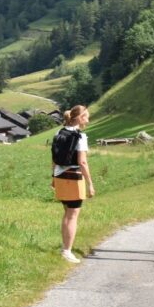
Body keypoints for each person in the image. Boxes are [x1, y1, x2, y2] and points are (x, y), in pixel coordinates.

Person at [51, 105, 95, 263]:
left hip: (60, 176)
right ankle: (67, 251)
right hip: (74, 178)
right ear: (80, 118)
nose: (88, 120)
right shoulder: (80, 137)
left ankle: (65, 246)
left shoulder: (59, 132)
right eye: (87, 117)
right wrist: (90, 183)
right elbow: (82, 161)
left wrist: (53, 178)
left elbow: (54, 157)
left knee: (67, 213)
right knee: (73, 215)